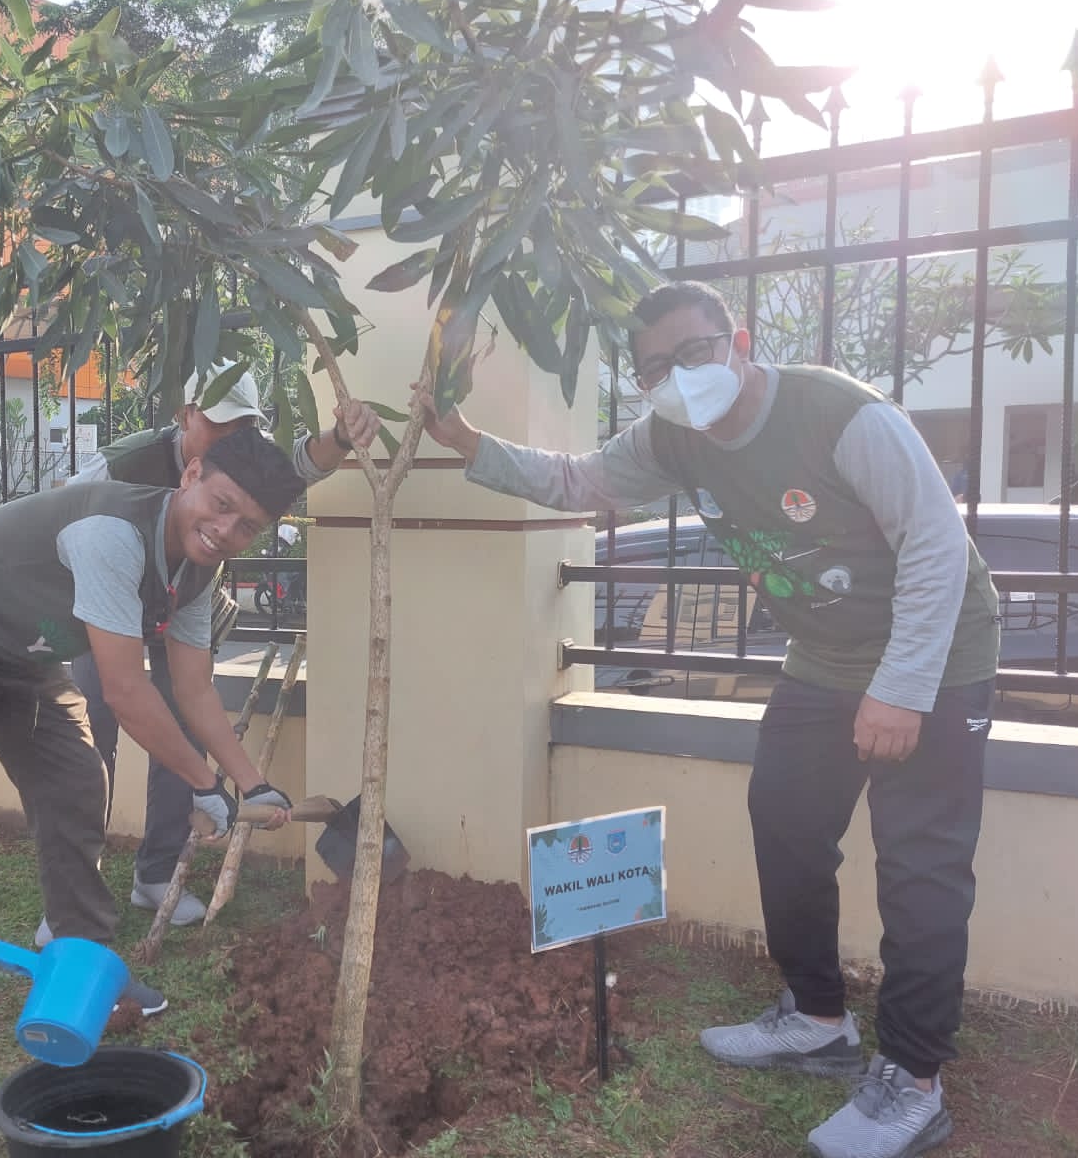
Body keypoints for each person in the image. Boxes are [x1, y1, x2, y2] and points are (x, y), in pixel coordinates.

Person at [416, 281, 1000, 1158]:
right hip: (824, 663)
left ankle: (913, 1083)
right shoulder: (673, 438)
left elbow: (935, 543)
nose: (678, 379)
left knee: (921, 868)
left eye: (692, 354)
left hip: (936, 658)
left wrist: (904, 688)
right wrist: (464, 441)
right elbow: (581, 481)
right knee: (786, 823)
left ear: (740, 340)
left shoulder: (841, 417)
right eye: (655, 368)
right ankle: (817, 1017)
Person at [0, 427, 304, 1146]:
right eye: (220, 505)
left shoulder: (197, 569)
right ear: (190, 473)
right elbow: (125, 689)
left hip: (24, 656)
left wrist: (254, 784)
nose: (225, 530)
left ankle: (84, 984)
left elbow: (192, 687)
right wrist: (203, 785)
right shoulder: (111, 536)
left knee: (77, 788)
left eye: (248, 525)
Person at [58, 361, 377, 931]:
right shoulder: (119, 464)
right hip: (108, 611)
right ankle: (72, 896)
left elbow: (298, 465)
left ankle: (155, 876)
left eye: (244, 426)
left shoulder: (247, 461)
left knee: (185, 722)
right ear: (185, 416)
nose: (235, 437)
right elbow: (62, 522)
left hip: (182, 604)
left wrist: (343, 439)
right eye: (219, 423)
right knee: (93, 734)